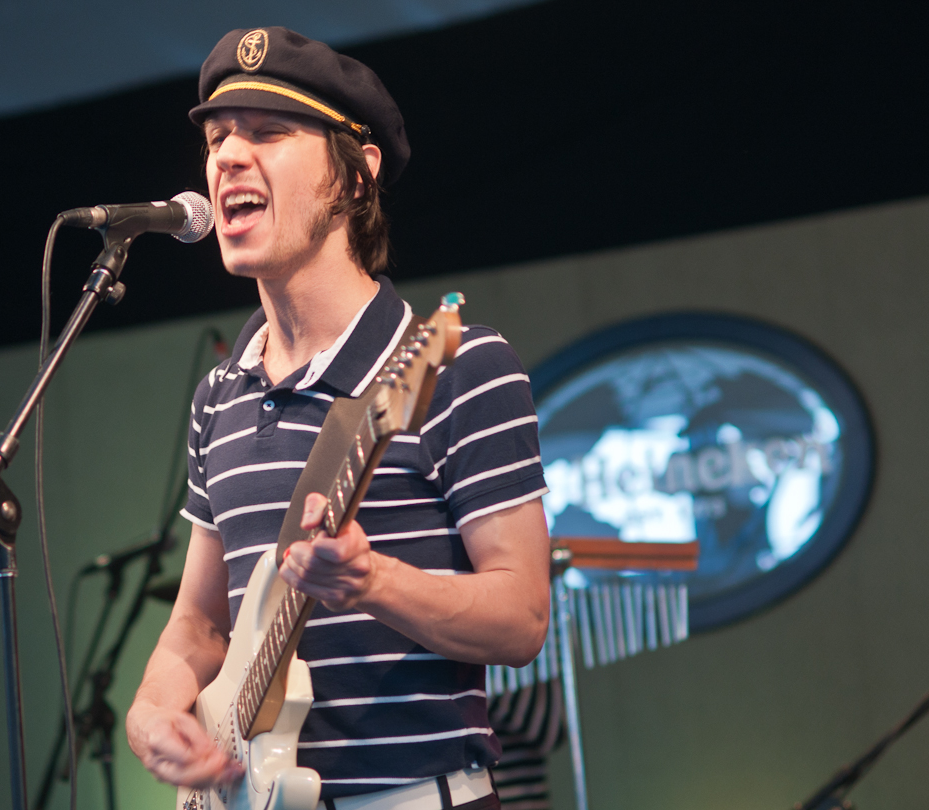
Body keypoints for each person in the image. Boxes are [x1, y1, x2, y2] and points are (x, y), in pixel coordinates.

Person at [126, 27, 552, 810]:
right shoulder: (219, 393)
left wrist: (372, 580)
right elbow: (200, 622)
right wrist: (154, 712)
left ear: (357, 176)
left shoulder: (458, 365)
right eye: (219, 137)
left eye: (267, 132)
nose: (227, 156)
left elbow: (522, 618)